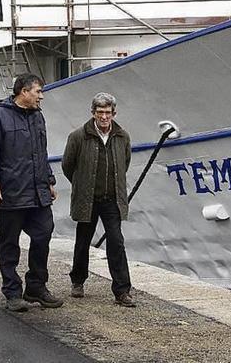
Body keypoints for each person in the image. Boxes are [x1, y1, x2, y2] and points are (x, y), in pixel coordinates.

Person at [0, 73, 64, 312]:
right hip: (11, 193)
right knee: (9, 243)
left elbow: (41, 152)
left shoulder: (37, 117)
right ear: (24, 92)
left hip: (37, 192)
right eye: (38, 92)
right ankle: (13, 292)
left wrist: (49, 180)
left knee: (43, 234)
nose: (41, 96)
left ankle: (36, 286)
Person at [62, 92, 136, 307]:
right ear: (93, 113)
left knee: (116, 241)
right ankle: (78, 280)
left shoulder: (122, 136)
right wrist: (82, 185)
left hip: (111, 199)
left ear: (114, 113)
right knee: (83, 241)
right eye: (100, 112)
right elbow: (68, 166)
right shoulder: (78, 137)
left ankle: (122, 291)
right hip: (88, 199)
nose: (104, 117)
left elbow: (125, 163)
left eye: (108, 113)